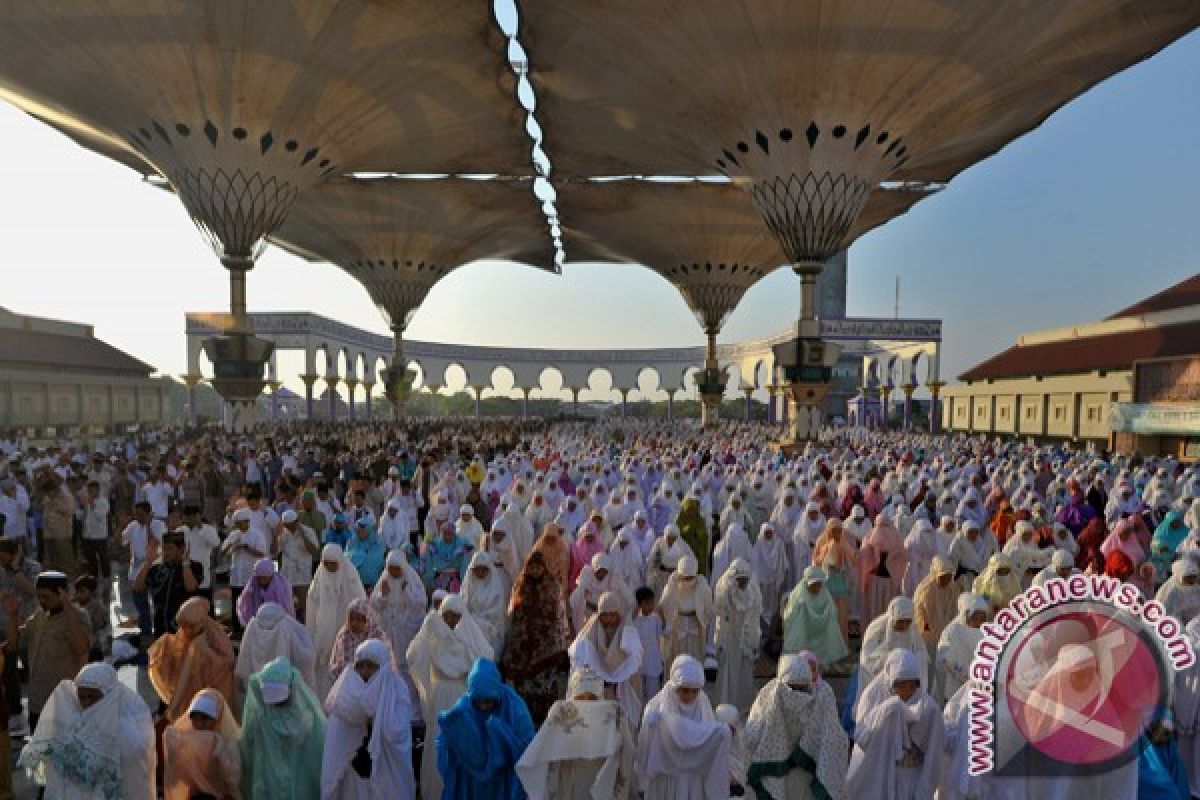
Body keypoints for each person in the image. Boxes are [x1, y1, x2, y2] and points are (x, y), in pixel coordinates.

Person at [18, 662, 155, 799]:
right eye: (82, 697)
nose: (87, 703)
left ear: (109, 695)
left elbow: (136, 760)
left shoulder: (128, 727)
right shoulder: (72, 719)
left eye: (93, 697)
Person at [407, 594, 494, 799]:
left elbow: (486, 659)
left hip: (463, 695)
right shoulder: (434, 636)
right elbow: (413, 657)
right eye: (447, 616)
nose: (451, 621)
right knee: (439, 741)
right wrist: (428, 630)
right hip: (440, 695)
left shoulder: (470, 639)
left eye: (456, 616)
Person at [515, 667, 637, 800]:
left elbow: (627, 752)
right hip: (570, 782)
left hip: (592, 781)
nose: (586, 704)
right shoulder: (561, 714)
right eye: (581, 698)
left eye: (591, 698)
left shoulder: (613, 715)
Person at [321, 638, 416, 799]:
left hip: (385, 770)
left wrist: (378, 716)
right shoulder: (345, 691)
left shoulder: (397, 690)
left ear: (384, 666)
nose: (365, 671)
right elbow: (335, 740)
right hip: (352, 769)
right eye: (360, 666)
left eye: (371, 666)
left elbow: (397, 731)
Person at [744, 654, 848, 800]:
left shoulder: (822, 696)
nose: (796, 695)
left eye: (801, 688)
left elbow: (833, 735)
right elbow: (752, 736)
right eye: (792, 688)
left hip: (806, 773)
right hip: (781, 774)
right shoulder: (770, 697)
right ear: (782, 684)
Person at [845, 649, 945, 800]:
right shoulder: (874, 695)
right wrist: (887, 714)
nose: (907, 692)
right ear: (890, 682)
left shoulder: (927, 706)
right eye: (901, 686)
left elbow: (935, 749)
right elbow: (862, 736)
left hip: (913, 779)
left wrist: (925, 788)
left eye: (912, 687)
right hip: (882, 776)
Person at [3, 571, 91, 731]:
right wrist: (12, 615)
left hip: (63, 706)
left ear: (62, 594)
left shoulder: (78, 616)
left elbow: (81, 649)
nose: (42, 601)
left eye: (46, 597)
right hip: (37, 702)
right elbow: (13, 643)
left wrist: (68, 608)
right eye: (39, 597)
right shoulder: (40, 615)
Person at [437, 657, 536, 800]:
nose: (483, 707)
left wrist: (502, 736)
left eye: (488, 701)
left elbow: (528, 745)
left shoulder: (515, 707)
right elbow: (446, 741)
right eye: (479, 702)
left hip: (503, 781)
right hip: (473, 784)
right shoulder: (464, 706)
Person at [636, 654, 731, 799]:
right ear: (675, 686)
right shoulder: (658, 706)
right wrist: (651, 726)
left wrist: (723, 732)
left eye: (695, 691)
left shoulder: (702, 702)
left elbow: (707, 734)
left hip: (694, 778)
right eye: (685, 690)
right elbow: (645, 748)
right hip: (667, 778)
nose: (690, 696)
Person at [500, 551, 571, 725]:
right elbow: (514, 613)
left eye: (538, 566)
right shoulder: (521, 585)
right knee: (524, 694)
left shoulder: (552, 586)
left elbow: (558, 618)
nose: (534, 570)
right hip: (523, 647)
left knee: (545, 693)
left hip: (546, 648)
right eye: (531, 566)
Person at [240, 657, 326, 800]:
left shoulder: (304, 715)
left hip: (299, 778)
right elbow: (249, 745)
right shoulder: (260, 715)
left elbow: (315, 750)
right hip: (268, 777)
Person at [148, 596, 236, 722]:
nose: (186, 630)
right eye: (184, 626)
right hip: (190, 691)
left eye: (190, 626)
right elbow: (184, 666)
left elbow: (227, 663)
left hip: (213, 690)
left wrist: (206, 652)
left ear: (202, 621)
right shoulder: (187, 632)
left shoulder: (216, 636)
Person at [569, 590, 644, 726]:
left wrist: (618, 679)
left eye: (612, 615)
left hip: (622, 689)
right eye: (605, 615)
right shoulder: (590, 632)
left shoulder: (628, 631)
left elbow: (634, 660)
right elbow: (578, 655)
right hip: (598, 689)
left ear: (619, 614)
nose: (608, 619)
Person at [307, 544, 367, 698]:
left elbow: (361, 604)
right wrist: (312, 632)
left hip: (348, 632)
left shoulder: (350, 576)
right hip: (325, 633)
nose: (330, 567)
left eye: (333, 563)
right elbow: (312, 605)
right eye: (326, 563)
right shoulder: (320, 577)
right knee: (324, 668)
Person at [162, 688, 242, 800]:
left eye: (205, 719)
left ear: (218, 718)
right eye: (195, 719)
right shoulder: (186, 741)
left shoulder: (229, 743)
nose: (199, 724)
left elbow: (233, 780)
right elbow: (177, 779)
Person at [369, 549, 427, 695]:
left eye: (397, 568)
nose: (394, 572)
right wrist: (383, 594)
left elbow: (420, 604)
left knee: (405, 664)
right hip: (389, 629)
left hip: (406, 630)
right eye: (391, 568)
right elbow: (374, 605)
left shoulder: (411, 580)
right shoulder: (384, 581)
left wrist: (406, 591)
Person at [712, 557, 762, 711]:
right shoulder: (725, 593)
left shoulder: (752, 593)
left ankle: (743, 704)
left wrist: (754, 641)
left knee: (744, 670)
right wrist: (719, 641)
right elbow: (721, 619)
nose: (742, 583)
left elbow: (754, 620)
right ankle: (727, 704)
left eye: (745, 580)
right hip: (730, 638)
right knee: (728, 670)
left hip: (745, 638)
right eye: (739, 580)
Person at [133, 529, 203, 637]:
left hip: (184, 630)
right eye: (164, 548)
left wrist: (185, 563)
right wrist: (147, 562)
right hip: (160, 630)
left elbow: (191, 587)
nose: (166, 552)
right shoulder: (157, 570)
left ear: (182, 549)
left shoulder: (194, 567)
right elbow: (137, 587)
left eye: (170, 548)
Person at [237, 601, 318, 695]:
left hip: (258, 687)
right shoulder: (285, 625)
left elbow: (244, 659)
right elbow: (305, 658)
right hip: (282, 689)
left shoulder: (253, 626)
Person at [859, 596, 930, 700]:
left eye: (907, 622)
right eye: (901, 621)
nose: (904, 625)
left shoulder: (912, 630)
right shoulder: (876, 628)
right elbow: (866, 659)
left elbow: (921, 652)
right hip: (880, 678)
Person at [781, 565, 848, 668]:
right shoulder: (798, 596)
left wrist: (828, 611)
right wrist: (800, 610)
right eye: (813, 585)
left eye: (819, 584)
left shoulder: (825, 594)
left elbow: (833, 612)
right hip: (805, 636)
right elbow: (789, 616)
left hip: (821, 636)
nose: (816, 588)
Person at [121, 502, 166, 642]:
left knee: (158, 603)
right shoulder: (133, 525)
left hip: (154, 568)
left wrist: (148, 525)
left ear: (148, 513)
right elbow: (121, 540)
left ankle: (160, 631)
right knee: (141, 604)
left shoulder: (158, 525)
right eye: (136, 514)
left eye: (140, 514)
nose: (137, 517)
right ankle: (145, 631)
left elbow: (157, 542)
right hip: (136, 571)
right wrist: (121, 524)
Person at [659, 555, 713, 668]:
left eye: (690, 578)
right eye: (685, 578)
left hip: (696, 627)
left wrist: (704, 620)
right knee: (678, 656)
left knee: (695, 656)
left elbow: (709, 607)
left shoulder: (701, 584)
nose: (688, 581)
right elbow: (663, 605)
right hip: (678, 626)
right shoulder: (673, 583)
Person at [222, 507, 268, 637]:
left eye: (242, 523)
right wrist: (231, 545)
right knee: (236, 603)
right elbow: (222, 553)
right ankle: (237, 630)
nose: (240, 526)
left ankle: (254, 629)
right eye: (237, 524)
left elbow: (262, 553)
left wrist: (246, 548)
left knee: (253, 602)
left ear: (247, 521)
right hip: (236, 576)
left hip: (251, 576)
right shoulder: (234, 535)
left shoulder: (257, 534)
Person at [935, 593, 989, 704]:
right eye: (976, 617)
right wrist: (965, 676)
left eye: (982, 618)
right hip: (955, 689)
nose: (980, 621)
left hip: (978, 689)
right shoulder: (952, 631)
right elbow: (944, 657)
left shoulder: (986, 633)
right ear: (966, 615)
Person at [329, 598, 388, 687]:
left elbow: (386, 665)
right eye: (351, 619)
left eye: (359, 620)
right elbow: (343, 667)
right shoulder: (345, 636)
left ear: (368, 619)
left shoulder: (377, 635)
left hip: (377, 684)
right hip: (349, 685)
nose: (354, 623)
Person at [461, 551, 510, 656]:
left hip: (491, 632)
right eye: (477, 569)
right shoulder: (468, 587)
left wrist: (480, 623)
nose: (480, 572)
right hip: (470, 631)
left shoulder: (496, 589)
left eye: (484, 569)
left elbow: (498, 615)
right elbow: (463, 609)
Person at [276, 508, 320, 615]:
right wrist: (275, 535)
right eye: (286, 525)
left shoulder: (309, 531)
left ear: (296, 522)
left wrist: (303, 535)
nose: (289, 528)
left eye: (290, 525)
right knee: (287, 605)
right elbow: (274, 552)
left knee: (305, 605)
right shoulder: (283, 533)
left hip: (302, 574)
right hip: (287, 574)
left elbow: (314, 551)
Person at [237, 558, 294, 626]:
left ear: (271, 576)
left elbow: (287, 606)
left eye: (264, 578)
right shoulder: (253, 584)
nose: (261, 581)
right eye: (259, 578)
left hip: (278, 621)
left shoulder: (282, 585)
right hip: (259, 620)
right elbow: (245, 602)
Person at [632, 587, 665, 701]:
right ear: (640, 604)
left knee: (653, 693)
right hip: (638, 662)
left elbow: (663, 632)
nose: (650, 606)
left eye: (652, 603)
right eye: (647, 603)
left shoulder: (655, 619)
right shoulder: (634, 620)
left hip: (653, 660)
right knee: (637, 693)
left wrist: (665, 620)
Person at [346, 518, 387, 591]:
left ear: (369, 530)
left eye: (363, 531)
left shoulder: (377, 541)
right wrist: (362, 554)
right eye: (358, 531)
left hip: (374, 583)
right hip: (355, 583)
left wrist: (360, 555)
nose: (360, 533)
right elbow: (347, 556)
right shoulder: (352, 540)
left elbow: (377, 559)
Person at [674, 497, 710, 577]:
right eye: (689, 510)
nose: (692, 512)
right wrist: (686, 531)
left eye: (693, 510)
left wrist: (698, 533)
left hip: (698, 552)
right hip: (684, 552)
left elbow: (704, 537)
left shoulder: (700, 520)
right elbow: (676, 535)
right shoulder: (680, 519)